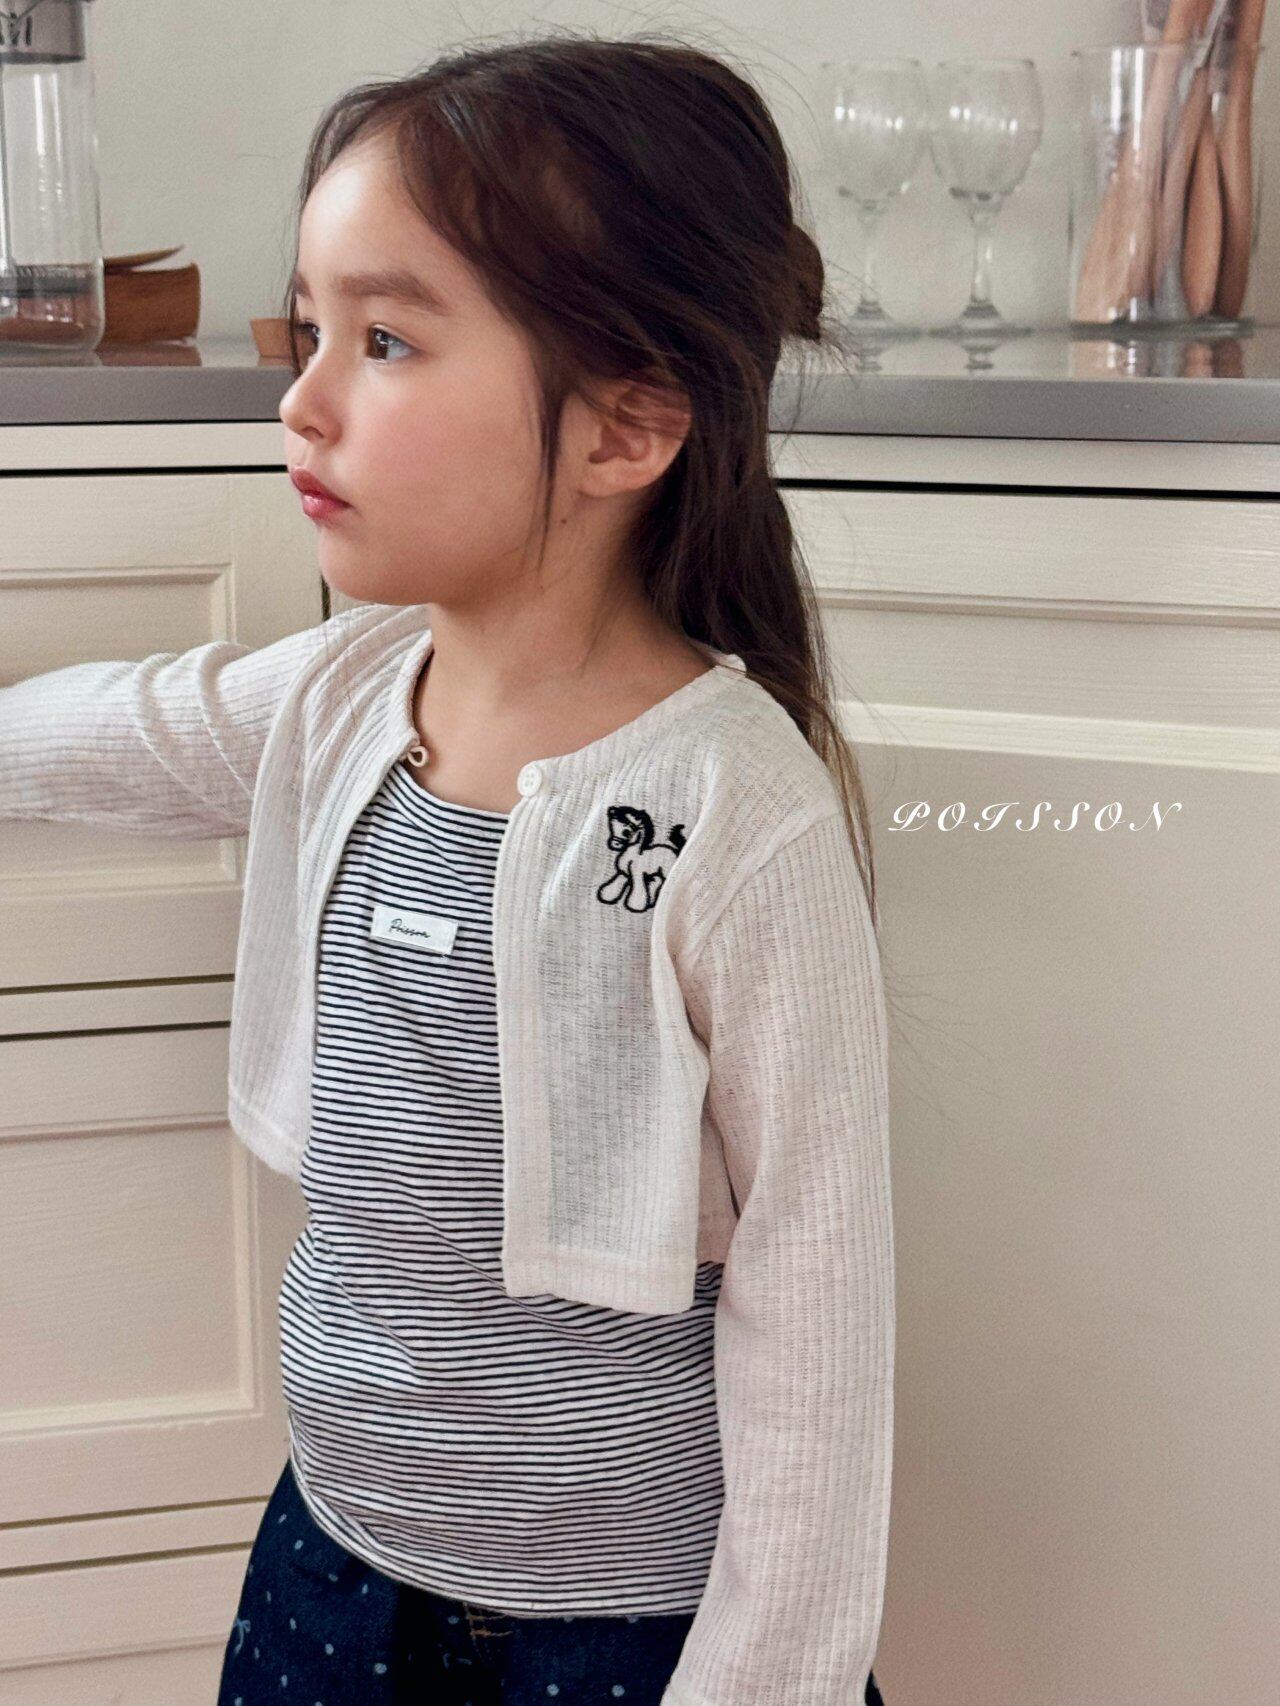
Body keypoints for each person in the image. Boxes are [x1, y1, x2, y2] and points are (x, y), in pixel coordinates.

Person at [0, 30, 894, 1706]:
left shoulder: (729, 804)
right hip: (333, 1560)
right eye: (310, 329)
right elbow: (122, 728)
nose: (303, 398)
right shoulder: (342, 696)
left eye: (389, 340)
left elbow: (819, 1307)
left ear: (627, 427)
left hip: (617, 1631)